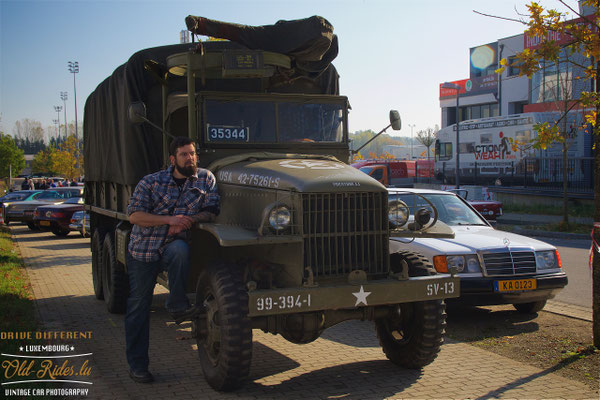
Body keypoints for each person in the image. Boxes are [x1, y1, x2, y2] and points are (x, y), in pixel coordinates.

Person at [125, 136, 220, 384]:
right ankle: (138, 366)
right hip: (143, 250)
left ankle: (176, 304)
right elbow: (134, 216)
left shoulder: (206, 179)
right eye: (184, 154)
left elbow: (212, 210)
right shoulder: (151, 182)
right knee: (138, 307)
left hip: (172, 246)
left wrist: (188, 220)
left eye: (192, 153)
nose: (190, 158)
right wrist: (169, 220)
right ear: (172, 159)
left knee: (180, 250)